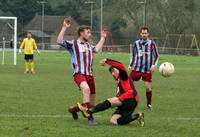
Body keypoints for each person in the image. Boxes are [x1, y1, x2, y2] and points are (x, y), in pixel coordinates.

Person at [56, 18, 107, 125]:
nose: (90, 34)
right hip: (79, 74)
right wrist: (64, 27)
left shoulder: (89, 45)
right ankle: (90, 119)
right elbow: (59, 41)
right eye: (88, 32)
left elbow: (96, 49)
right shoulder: (73, 44)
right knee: (86, 89)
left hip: (90, 75)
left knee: (91, 104)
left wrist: (102, 38)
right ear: (81, 33)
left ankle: (74, 109)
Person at [77, 58, 144, 126]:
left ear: (119, 70)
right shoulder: (119, 83)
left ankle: (89, 111)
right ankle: (137, 116)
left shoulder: (124, 77)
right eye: (111, 72)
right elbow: (119, 96)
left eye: (114, 71)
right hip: (127, 104)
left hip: (131, 99)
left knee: (111, 101)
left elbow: (120, 65)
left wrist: (106, 60)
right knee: (114, 121)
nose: (112, 73)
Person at [129, 27, 159, 110]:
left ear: (148, 34)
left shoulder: (152, 44)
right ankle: (131, 103)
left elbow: (156, 56)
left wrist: (154, 65)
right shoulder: (136, 43)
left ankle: (149, 105)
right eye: (143, 33)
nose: (144, 35)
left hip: (147, 69)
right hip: (137, 68)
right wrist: (130, 66)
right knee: (130, 86)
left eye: (145, 33)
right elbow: (133, 55)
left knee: (148, 88)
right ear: (140, 34)